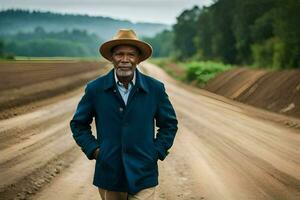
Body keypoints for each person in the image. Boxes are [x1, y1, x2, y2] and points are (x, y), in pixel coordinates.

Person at [70, 29, 178, 200]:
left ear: (138, 59)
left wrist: (155, 152)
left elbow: (169, 124)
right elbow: (78, 124)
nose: (125, 60)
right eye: (119, 54)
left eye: (131, 55)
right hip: (109, 175)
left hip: (144, 174)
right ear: (112, 57)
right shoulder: (95, 89)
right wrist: (96, 150)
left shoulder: (155, 89)